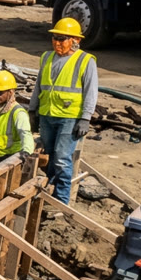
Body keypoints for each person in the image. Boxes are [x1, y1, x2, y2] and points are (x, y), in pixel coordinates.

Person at [34, 17, 97, 204]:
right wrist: (32, 110)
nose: (57, 43)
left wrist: (85, 118)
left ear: (75, 41)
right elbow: (39, 86)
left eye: (62, 39)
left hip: (70, 117)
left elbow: (90, 91)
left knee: (62, 158)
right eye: (55, 38)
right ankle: (50, 190)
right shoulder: (47, 57)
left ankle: (61, 200)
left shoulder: (85, 61)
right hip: (47, 114)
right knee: (49, 155)